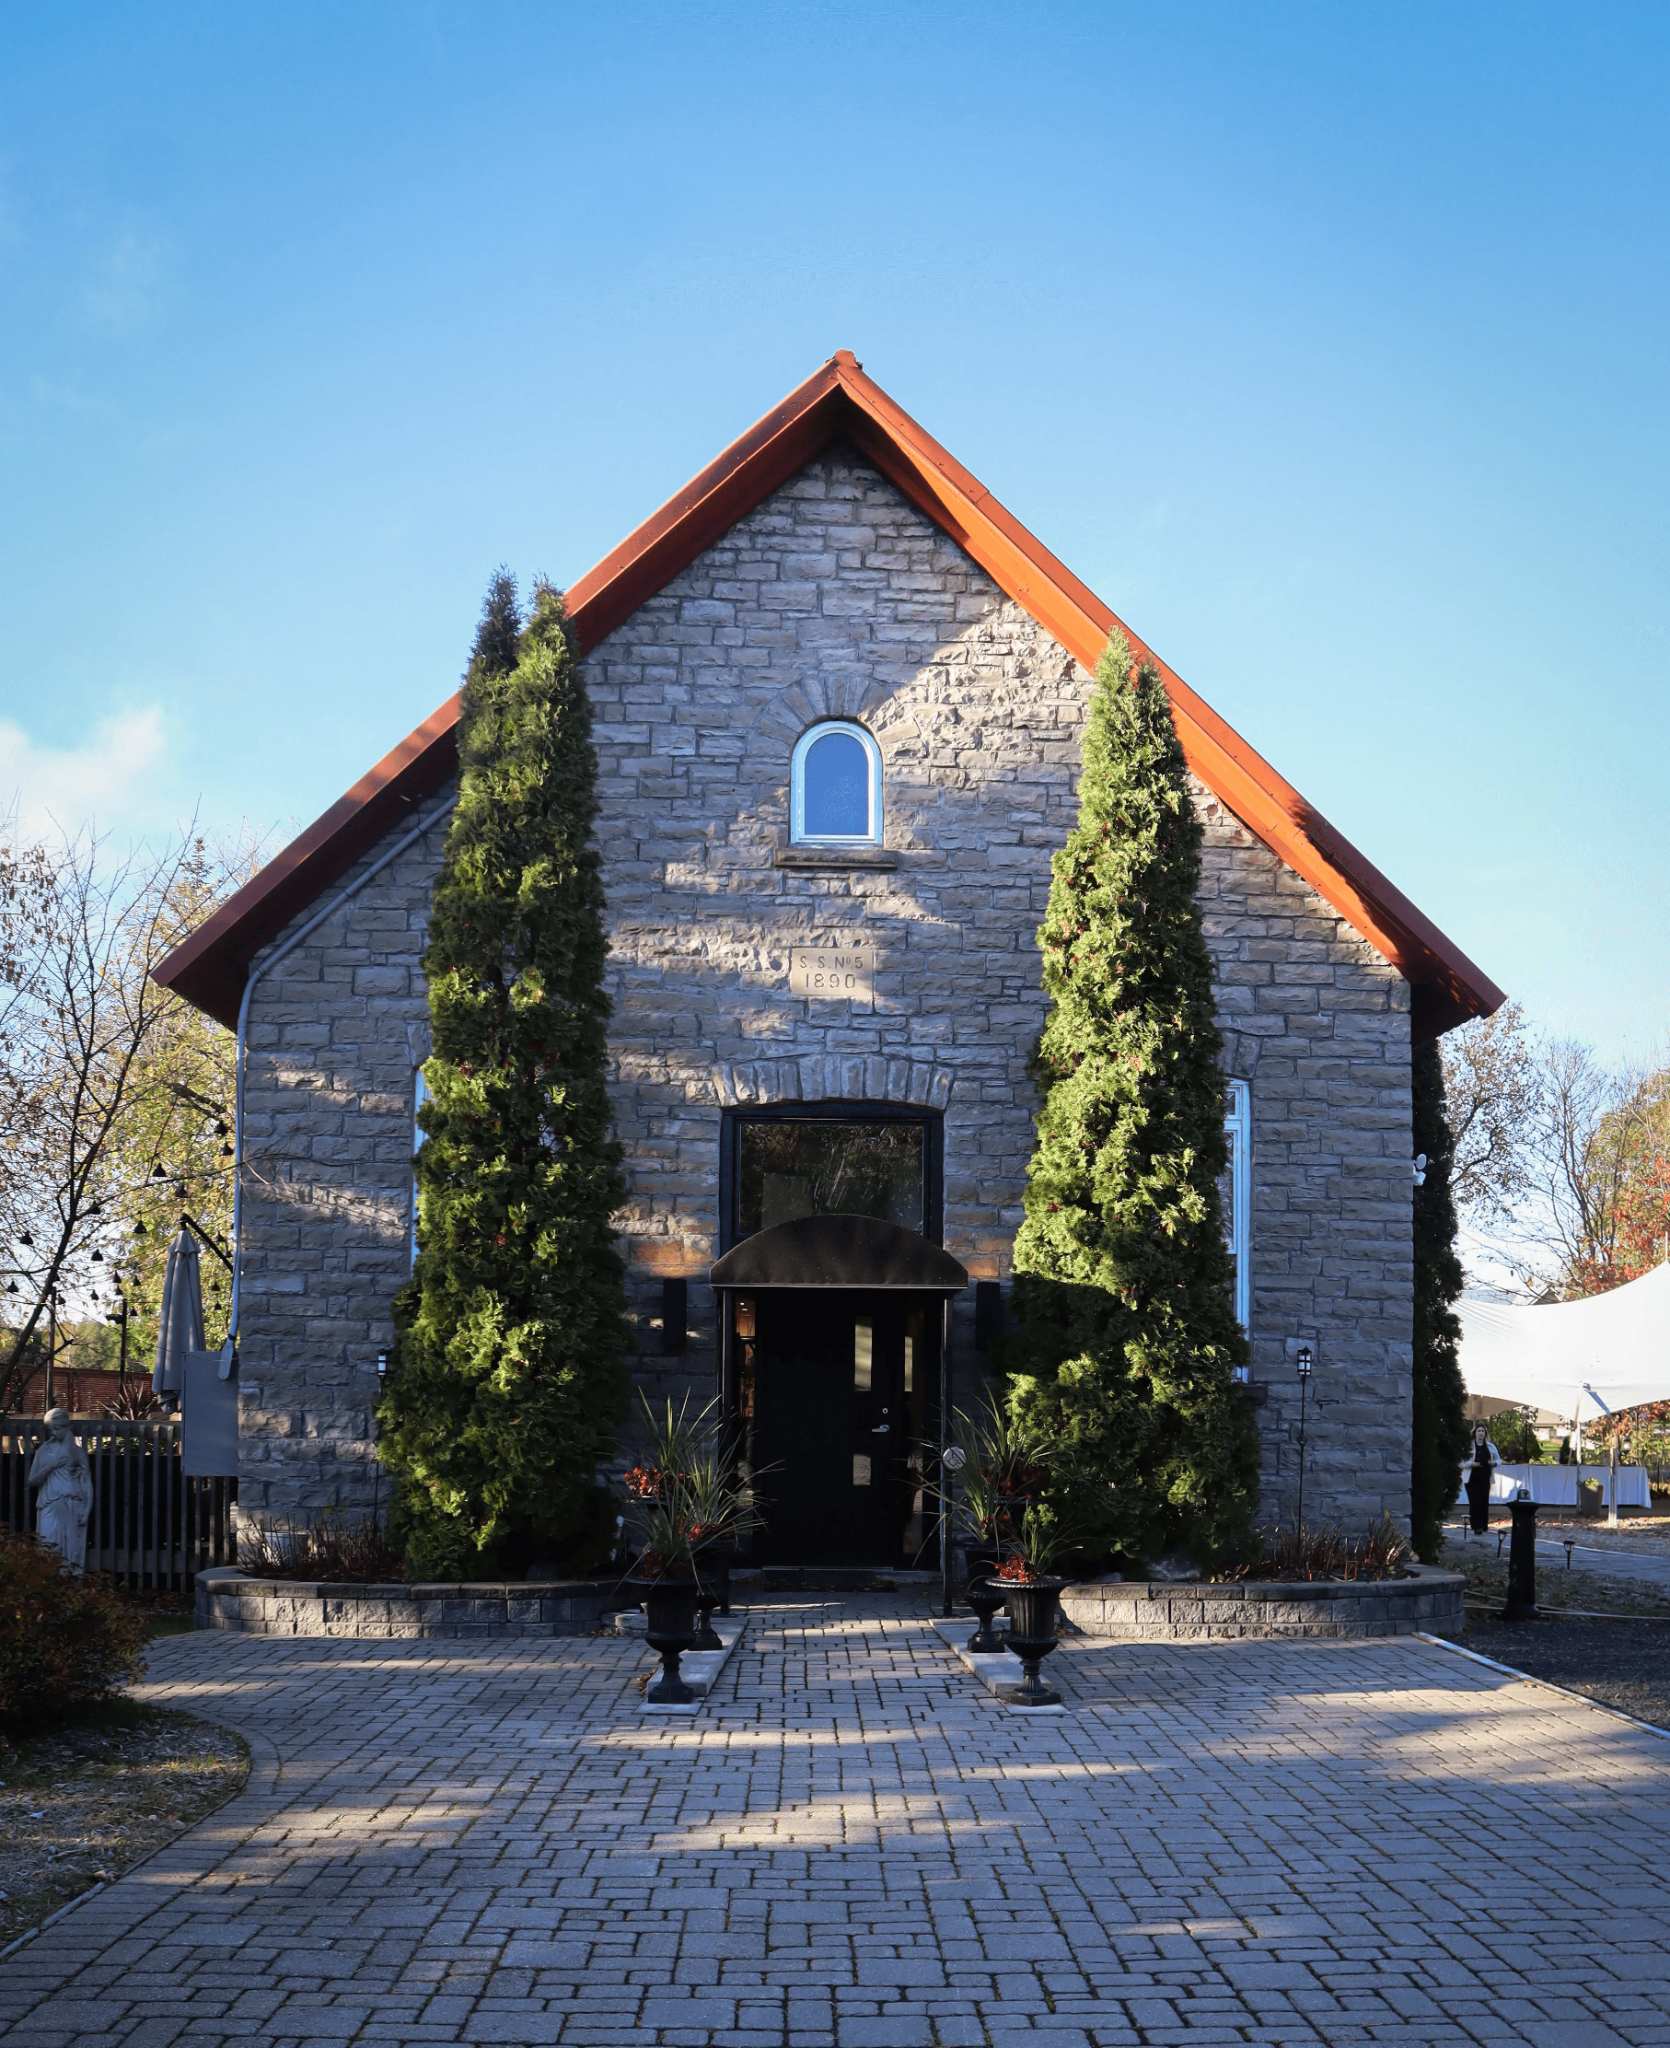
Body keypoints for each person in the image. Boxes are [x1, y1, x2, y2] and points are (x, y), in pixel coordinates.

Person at [27, 1408, 93, 1573]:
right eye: (51, 1429)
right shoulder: (43, 1451)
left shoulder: (77, 1453)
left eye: (57, 1429)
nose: (54, 1433)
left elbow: (86, 1484)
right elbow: (32, 1481)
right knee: (48, 1546)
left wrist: (87, 1510)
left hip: (72, 1505)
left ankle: (71, 1588)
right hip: (49, 1505)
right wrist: (51, 1465)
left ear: (67, 1427)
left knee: (72, 1551)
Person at [1464, 1422, 1494, 1536]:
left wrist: (1494, 1463)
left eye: (1482, 1431)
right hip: (1472, 1477)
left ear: (1485, 1433)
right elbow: (1461, 1462)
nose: (1481, 1433)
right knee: (1474, 1502)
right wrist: (1471, 1464)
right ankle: (1476, 1526)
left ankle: (1484, 1525)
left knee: (1483, 1501)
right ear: (1475, 1433)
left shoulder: (1490, 1446)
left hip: (1485, 1477)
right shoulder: (1469, 1446)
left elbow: (1499, 1460)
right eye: (1479, 1431)